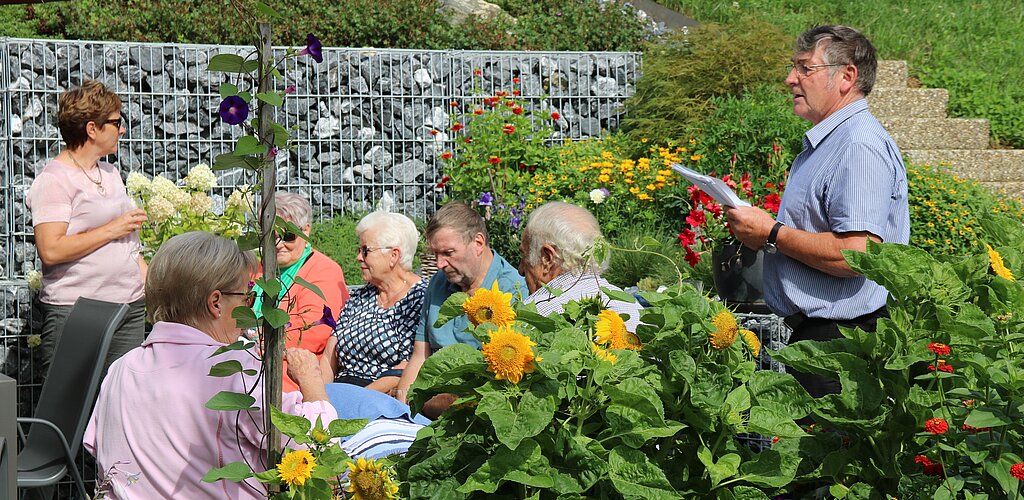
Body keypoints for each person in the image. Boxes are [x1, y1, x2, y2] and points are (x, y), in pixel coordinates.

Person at [725, 25, 909, 398]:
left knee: (830, 451)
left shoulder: (858, 146)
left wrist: (771, 234)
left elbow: (856, 256)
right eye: (794, 67)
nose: (790, 78)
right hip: (824, 338)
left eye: (805, 68)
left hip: (842, 344)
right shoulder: (833, 139)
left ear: (846, 76)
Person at [84, 231, 337, 499]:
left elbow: (97, 447)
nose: (249, 307)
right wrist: (311, 382)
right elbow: (316, 449)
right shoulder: (233, 369)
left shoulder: (120, 368)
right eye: (246, 295)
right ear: (215, 302)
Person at [26, 80, 148, 378]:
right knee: (71, 414)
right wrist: (112, 228)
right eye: (116, 122)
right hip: (78, 313)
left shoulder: (109, 172)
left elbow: (130, 246)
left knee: (121, 407)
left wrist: (151, 288)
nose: (122, 129)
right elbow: (51, 250)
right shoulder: (54, 180)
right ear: (92, 129)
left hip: (128, 309)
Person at [395, 202, 526, 417]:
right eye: (435, 254)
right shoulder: (438, 283)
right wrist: (402, 411)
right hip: (426, 402)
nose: (439, 264)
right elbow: (420, 355)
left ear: (478, 242)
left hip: (476, 409)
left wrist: (420, 401)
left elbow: (501, 379)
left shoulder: (511, 290)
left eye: (448, 253)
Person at [251, 191, 349, 392]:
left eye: (288, 235)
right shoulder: (255, 267)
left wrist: (254, 341)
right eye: (270, 235)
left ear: (306, 230)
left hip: (290, 369)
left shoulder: (324, 270)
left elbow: (311, 333)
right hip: (255, 356)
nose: (278, 245)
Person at [320, 211, 427, 392]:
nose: (359, 257)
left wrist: (360, 400)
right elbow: (329, 357)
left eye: (366, 250)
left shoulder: (420, 298)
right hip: (340, 391)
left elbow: (407, 367)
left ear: (394, 255)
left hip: (381, 397)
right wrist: (319, 399)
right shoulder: (361, 297)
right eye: (359, 250)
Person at [519, 201, 642, 331]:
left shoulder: (532, 317)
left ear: (547, 258)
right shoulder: (633, 306)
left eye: (524, 257)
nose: (520, 270)